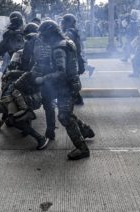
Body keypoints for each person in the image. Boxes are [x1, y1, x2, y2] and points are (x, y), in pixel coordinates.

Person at [35, 20, 95, 160]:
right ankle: (85, 130)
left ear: (51, 34)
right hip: (72, 83)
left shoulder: (58, 49)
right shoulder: (68, 42)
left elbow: (61, 73)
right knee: (67, 113)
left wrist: (43, 79)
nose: (43, 38)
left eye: (45, 35)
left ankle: (82, 148)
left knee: (64, 117)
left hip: (65, 86)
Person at [0, 51, 48, 150]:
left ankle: (40, 139)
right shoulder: (9, 72)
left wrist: (15, 74)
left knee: (15, 120)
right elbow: (6, 98)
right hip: (5, 101)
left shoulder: (27, 74)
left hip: (18, 102)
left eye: (17, 59)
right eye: (14, 58)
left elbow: (31, 79)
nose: (14, 61)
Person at [61, 13, 86, 105]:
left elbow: (65, 46)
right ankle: (76, 99)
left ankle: (76, 100)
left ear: (67, 23)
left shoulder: (69, 33)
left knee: (70, 80)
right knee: (72, 81)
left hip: (72, 60)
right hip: (76, 59)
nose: (61, 24)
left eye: (63, 22)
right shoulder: (73, 31)